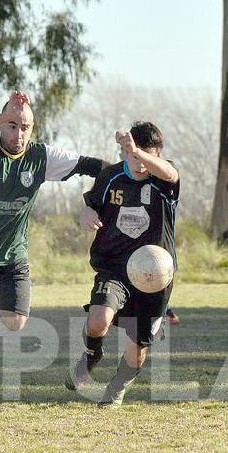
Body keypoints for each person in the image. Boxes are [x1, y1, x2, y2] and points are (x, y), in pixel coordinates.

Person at [0, 91, 110, 410]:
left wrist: (98, 199)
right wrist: (2, 117)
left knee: (17, 321)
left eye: (25, 127)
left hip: (11, 257)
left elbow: (97, 167)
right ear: (1, 126)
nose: (18, 134)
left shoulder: (42, 157)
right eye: (12, 126)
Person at [64, 121, 180, 407]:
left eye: (146, 157)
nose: (139, 164)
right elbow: (90, 206)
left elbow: (170, 172)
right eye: (133, 156)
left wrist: (140, 154)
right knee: (97, 322)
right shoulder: (110, 177)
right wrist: (85, 215)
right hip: (115, 267)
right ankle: (92, 355)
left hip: (156, 276)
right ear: (124, 153)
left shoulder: (162, 179)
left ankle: (117, 388)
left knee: (139, 345)